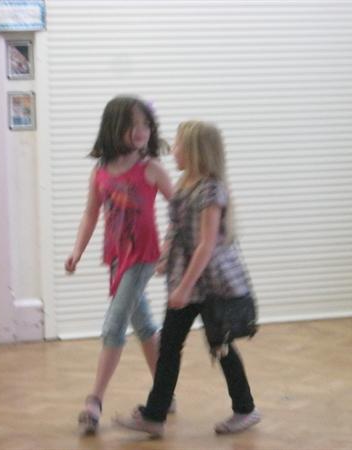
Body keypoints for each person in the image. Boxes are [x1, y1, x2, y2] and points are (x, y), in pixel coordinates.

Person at [114, 120, 261, 438]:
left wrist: (183, 288)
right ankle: (154, 415)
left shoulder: (211, 189)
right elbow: (176, 226)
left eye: (178, 144)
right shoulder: (184, 184)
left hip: (211, 285)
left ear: (195, 150)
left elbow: (206, 245)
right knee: (169, 346)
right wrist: (165, 258)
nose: (173, 150)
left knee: (220, 345)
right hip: (187, 279)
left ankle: (246, 408)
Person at [65, 96, 173, 433]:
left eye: (146, 125)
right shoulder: (100, 171)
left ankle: (94, 401)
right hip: (117, 258)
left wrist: (169, 249)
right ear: (115, 127)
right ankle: (165, 393)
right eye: (133, 125)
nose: (141, 131)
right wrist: (77, 251)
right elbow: (90, 214)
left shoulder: (151, 168)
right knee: (144, 325)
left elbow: (180, 209)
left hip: (143, 258)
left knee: (114, 327)